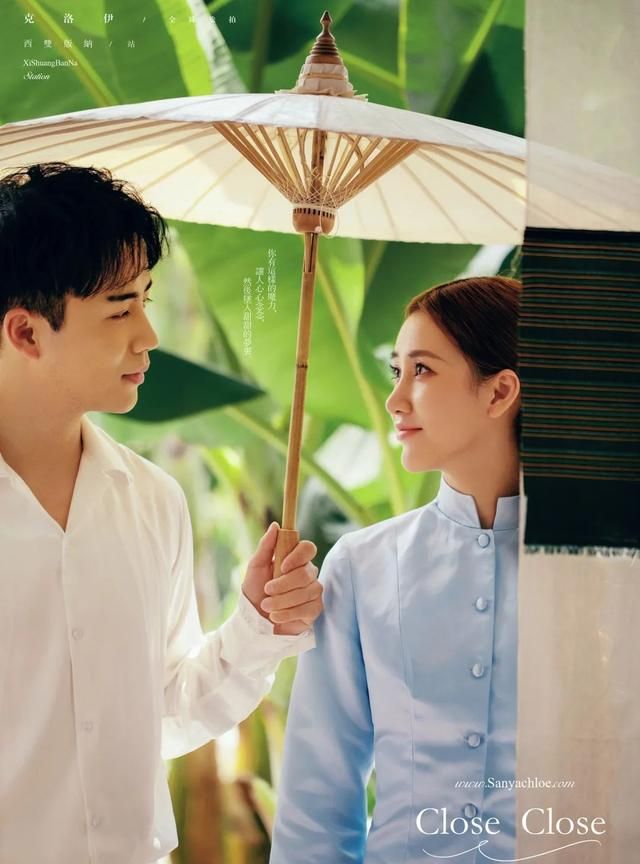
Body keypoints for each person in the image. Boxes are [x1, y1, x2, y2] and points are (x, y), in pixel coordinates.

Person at [0, 162, 323, 864]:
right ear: (26, 332)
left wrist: (258, 624)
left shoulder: (151, 500)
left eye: (146, 300)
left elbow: (166, 712)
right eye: (120, 309)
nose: (147, 334)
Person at [270, 275, 522, 864]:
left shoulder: (603, 573)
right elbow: (316, 801)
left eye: (422, 370)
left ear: (499, 392)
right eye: (396, 371)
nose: (395, 399)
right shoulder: (361, 566)